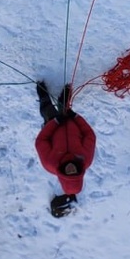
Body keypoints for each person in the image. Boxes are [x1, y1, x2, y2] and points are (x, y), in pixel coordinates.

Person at [35, 80, 96, 217]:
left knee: (47, 110)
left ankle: (43, 94)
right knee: (65, 108)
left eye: (68, 173)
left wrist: (55, 122)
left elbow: (41, 141)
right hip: (70, 121)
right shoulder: (86, 159)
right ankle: (63, 99)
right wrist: (75, 117)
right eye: (74, 172)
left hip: (52, 125)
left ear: (63, 176)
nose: (71, 169)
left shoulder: (50, 163)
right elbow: (89, 135)